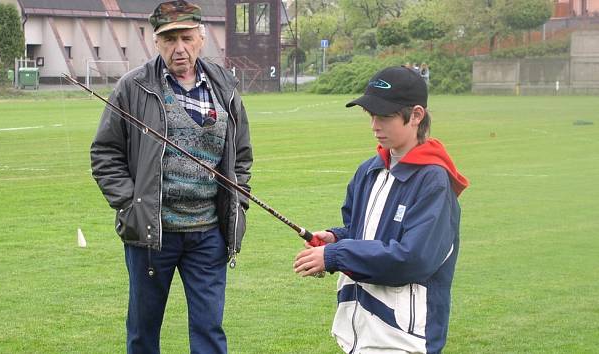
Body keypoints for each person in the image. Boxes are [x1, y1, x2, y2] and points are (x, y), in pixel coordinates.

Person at [90, 1, 253, 353]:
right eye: (169, 39)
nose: (179, 48)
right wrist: (131, 206)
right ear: (156, 42)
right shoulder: (132, 88)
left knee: (210, 331)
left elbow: (241, 156)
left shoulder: (225, 86)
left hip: (209, 234)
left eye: (187, 38)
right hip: (152, 235)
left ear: (201, 38)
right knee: (143, 333)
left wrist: (237, 204)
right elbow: (104, 154)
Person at [294, 66, 469, 353]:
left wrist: (336, 255)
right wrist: (336, 238)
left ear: (416, 116)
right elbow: (362, 231)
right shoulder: (369, 171)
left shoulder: (433, 181)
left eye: (385, 116)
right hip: (359, 330)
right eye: (371, 115)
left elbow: (412, 258)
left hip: (404, 339)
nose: (375, 125)